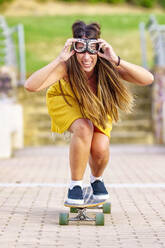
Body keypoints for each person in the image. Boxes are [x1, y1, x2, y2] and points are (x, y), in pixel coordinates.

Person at [25, 20, 154, 205]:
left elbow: (148, 78)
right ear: (74, 49)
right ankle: (75, 185)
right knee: (84, 127)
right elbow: (30, 86)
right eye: (81, 50)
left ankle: (96, 180)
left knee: (100, 147)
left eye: (91, 50)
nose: (86, 57)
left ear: (98, 48)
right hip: (65, 100)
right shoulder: (67, 66)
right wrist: (59, 59)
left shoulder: (106, 64)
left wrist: (115, 59)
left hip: (95, 105)